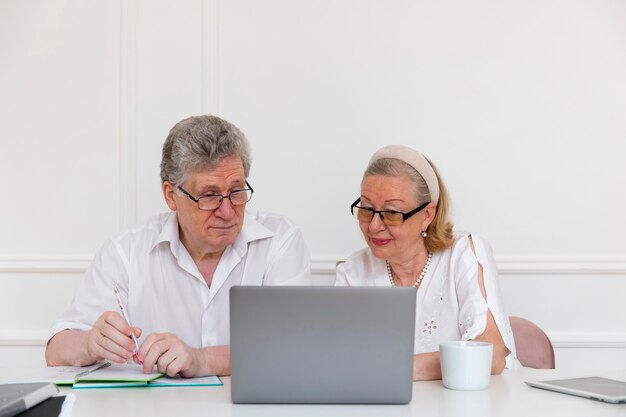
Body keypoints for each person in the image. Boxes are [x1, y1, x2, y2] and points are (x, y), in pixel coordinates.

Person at [46, 115, 311, 377]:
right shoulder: (126, 252)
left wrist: (202, 360)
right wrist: (91, 344)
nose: (228, 211)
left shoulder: (279, 241)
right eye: (209, 196)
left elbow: (294, 346)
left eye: (236, 191)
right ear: (171, 195)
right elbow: (56, 351)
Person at [335, 145, 518, 380]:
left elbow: (490, 356)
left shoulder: (463, 253)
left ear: (427, 215)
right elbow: (339, 360)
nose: (373, 226)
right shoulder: (352, 271)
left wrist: (389, 368)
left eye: (392, 213)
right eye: (366, 209)